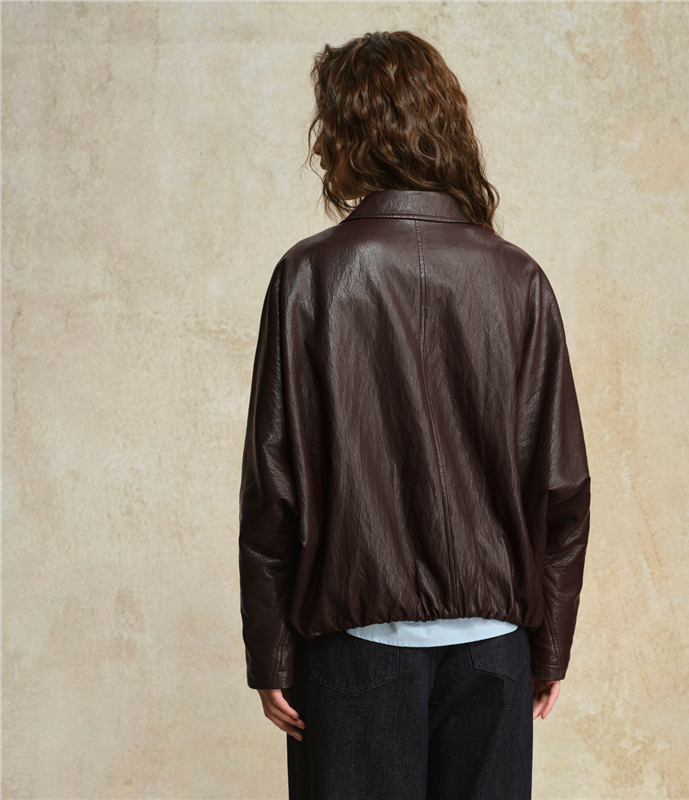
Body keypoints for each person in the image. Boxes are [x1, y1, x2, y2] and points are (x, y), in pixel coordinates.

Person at [238, 30, 591, 800]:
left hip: (355, 654)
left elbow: (273, 488)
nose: (320, 146)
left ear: (356, 134)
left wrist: (272, 653)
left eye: (330, 127)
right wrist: (548, 646)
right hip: (493, 654)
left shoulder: (309, 277)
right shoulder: (519, 279)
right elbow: (562, 486)